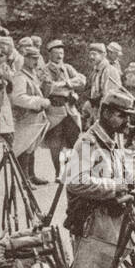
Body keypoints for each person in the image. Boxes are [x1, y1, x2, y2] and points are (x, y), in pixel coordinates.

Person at [61, 92, 135, 268]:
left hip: (110, 221)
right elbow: (76, 181)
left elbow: (120, 173)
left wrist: (127, 184)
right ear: (105, 113)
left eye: (127, 116)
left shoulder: (112, 141)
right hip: (91, 223)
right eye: (121, 115)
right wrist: (116, 186)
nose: (125, 122)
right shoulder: (87, 143)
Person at [41, 40, 85, 177]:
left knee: (75, 140)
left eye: (61, 53)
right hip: (55, 110)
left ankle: (74, 171)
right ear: (49, 55)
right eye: (56, 53)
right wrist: (68, 87)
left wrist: (66, 83)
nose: (59, 56)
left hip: (70, 109)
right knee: (56, 142)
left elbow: (82, 80)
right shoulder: (45, 69)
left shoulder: (67, 68)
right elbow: (48, 88)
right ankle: (58, 172)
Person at [9, 45, 52, 185]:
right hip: (26, 116)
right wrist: (38, 101)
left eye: (37, 58)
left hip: (36, 116)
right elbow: (18, 98)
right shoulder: (20, 76)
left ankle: (31, 175)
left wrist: (47, 84)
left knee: (32, 145)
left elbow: (41, 92)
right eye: (32, 58)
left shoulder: (33, 74)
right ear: (25, 59)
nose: (35, 61)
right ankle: (24, 178)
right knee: (25, 146)